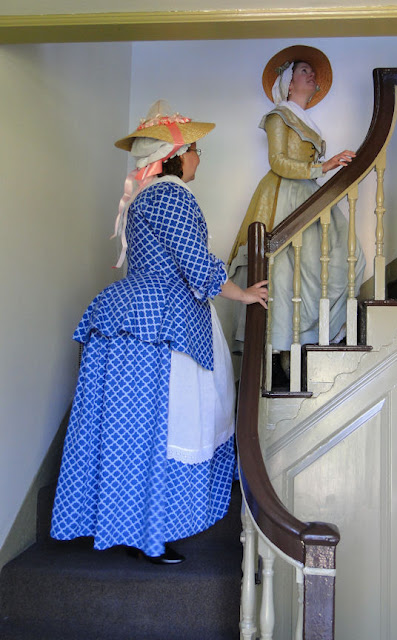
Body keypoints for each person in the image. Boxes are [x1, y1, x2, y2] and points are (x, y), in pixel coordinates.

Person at [50, 100, 268, 564]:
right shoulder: (171, 195)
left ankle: (127, 525)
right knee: (162, 426)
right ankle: (149, 529)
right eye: (195, 150)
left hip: (132, 318)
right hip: (161, 323)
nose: (199, 158)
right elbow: (197, 266)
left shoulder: (145, 197)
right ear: (176, 155)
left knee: (131, 429)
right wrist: (244, 295)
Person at [228, 45, 365, 358]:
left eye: (312, 71)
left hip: (307, 193)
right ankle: (280, 347)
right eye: (304, 70)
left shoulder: (307, 122)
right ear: (289, 84)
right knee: (283, 270)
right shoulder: (279, 116)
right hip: (283, 195)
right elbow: (277, 161)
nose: (311, 74)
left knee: (341, 258)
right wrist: (323, 167)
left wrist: (322, 169)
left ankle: (311, 335)